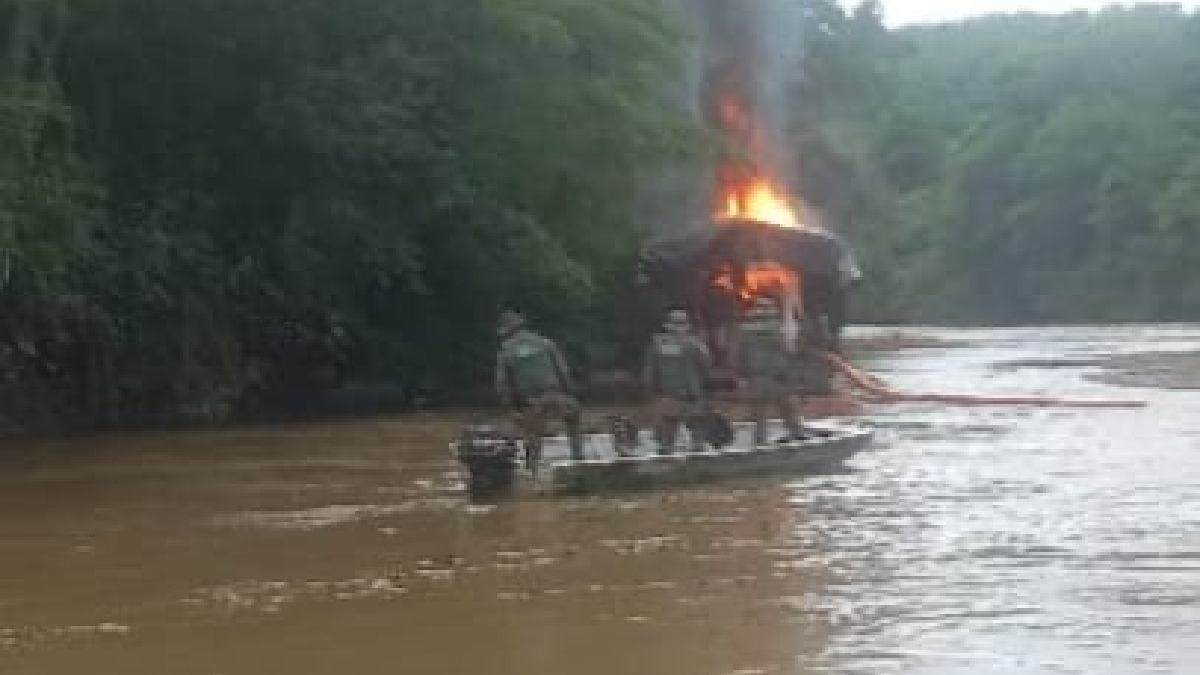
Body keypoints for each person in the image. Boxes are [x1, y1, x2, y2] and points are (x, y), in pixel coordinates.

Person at [494, 310, 584, 466]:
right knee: (573, 417)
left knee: (533, 439)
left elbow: (502, 385)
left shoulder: (505, 351)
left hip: (531, 403)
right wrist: (571, 396)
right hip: (556, 396)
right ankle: (578, 459)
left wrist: (511, 410)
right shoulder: (545, 342)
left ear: (506, 331)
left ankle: (532, 470)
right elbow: (564, 372)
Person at [642, 309, 713, 454]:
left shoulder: (657, 343)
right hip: (689, 396)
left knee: (667, 440)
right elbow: (706, 365)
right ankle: (697, 464)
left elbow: (649, 370)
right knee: (697, 438)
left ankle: (667, 461)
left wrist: (651, 391)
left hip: (668, 396)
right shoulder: (694, 344)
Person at [736, 296, 802, 446]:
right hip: (776, 379)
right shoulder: (778, 328)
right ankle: (798, 440)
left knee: (760, 420)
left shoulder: (744, 330)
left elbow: (738, 355)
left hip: (756, 378)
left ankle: (760, 446)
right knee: (789, 414)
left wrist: (740, 377)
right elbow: (789, 351)